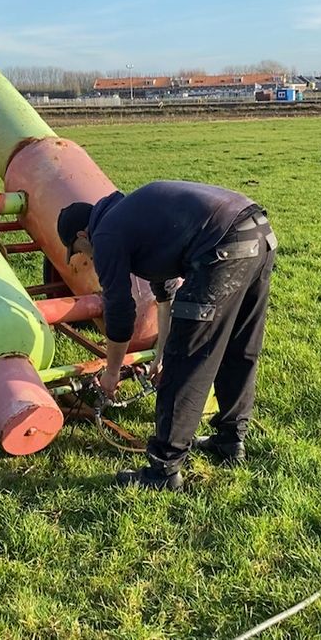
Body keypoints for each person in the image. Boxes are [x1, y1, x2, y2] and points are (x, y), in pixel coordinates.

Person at [57, 180, 277, 490]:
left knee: (186, 358)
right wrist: (158, 357)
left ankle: (164, 470)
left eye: (78, 252)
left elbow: (119, 313)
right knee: (238, 346)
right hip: (257, 230)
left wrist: (111, 372)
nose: (85, 259)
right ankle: (230, 440)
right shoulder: (133, 216)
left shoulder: (105, 234)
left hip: (223, 244)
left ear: (82, 235)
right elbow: (166, 296)